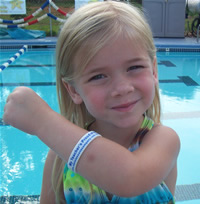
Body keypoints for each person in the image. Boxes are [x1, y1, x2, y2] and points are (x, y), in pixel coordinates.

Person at [3, 1, 180, 203]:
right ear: (73, 90)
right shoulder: (61, 155)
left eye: (134, 67)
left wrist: (43, 122)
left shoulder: (163, 140)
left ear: (154, 70)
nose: (122, 88)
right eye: (98, 76)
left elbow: (131, 177)